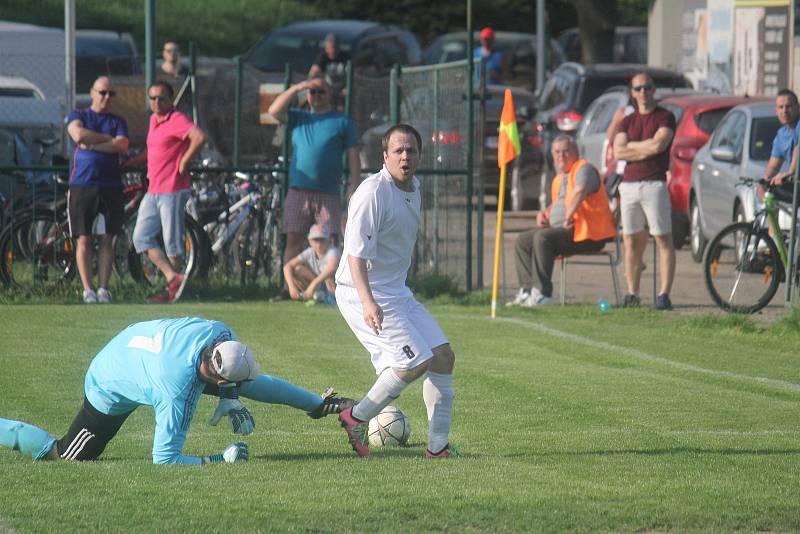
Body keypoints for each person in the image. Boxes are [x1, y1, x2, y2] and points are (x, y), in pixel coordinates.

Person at [0, 317, 354, 464]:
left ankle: (317, 405)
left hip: (135, 345)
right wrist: (219, 460)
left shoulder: (218, 332)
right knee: (64, 456)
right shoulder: (177, 391)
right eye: (227, 385)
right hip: (109, 378)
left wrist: (232, 397)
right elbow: (164, 461)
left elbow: (239, 378)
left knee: (253, 384)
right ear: (216, 377)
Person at [334, 124, 457, 459]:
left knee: (443, 358)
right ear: (385, 156)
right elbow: (355, 255)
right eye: (399, 151)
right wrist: (368, 302)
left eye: (412, 150)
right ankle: (356, 417)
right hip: (361, 291)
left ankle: (438, 448)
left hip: (396, 292)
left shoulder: (414, 187)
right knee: (414, 362)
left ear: (419, 155)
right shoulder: (373, 192)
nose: (406, 156)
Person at [509, 136, 616, 307]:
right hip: (564, 231)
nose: (561, 155)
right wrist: (544, 214)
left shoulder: (584, 169)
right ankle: (527, 291)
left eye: (566, 151)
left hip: (588, 234)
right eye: (557, 152)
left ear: (576, 152)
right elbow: (560, 202)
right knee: (523, 240)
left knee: (542, 238)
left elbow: (580, 191)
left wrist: (567, 216)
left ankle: (543, 294)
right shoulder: (559, 179)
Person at [267, 76, 360, 267]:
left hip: (329, 192)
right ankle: (291, 288)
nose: (317, 95)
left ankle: (329, 290)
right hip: (299, 190)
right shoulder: (298, 117)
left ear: (330, 94)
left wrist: (354, 183)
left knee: (330, 242)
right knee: (294, 238)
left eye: (321, 91)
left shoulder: (342, 121)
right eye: (313, 92)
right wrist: (298, 87)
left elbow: (353, 154)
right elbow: (273, 110)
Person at [129, 81, 207, 303]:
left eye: (161, 98)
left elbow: (199, 137)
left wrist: (184, 162)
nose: (156, 102)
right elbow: (153, 150)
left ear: (170, 100)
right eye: (152, 98)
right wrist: (132, 161)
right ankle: (173, 278)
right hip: (154, 189)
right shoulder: (154, 120)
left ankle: (173, 291)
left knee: (172, 241)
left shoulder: (177, 119)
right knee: (140, 237)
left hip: (172, 189)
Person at [613, 72, 676, 311]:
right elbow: (618, 152)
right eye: (638, 88)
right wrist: (645, 148)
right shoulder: (627, 121)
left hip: (654, 184)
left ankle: (664, 294)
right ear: (632, 92)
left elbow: (659, 145)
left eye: (647, 87)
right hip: (628, 185)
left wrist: (632, 147)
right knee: (630, 240)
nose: (643, 92)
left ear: (654, 90)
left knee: (662, 238)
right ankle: (632, 293)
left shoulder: (665, 117)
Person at [66, 76, 129, 304]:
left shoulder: (118, 121)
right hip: (83, 184)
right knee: (83, 238)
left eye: (111, 94)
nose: (106, 98)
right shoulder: (79, 115)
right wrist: (107, 141)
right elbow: (78, 135)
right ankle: (88, 290)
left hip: (110, 185)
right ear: (92, 93)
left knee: (107, 238)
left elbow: (122, 144)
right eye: (102, 92)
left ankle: (103, 288)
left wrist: (93, 144)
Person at [283, 223, 341, 302]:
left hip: (334, 284)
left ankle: (333, 298)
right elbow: (287, 266)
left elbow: (332, 267)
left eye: (322, 240)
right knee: (297, 269)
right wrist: (291, 287)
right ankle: (313, 294)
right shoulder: (310, 252)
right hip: (319, 284)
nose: (318, 244)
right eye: (315, 240)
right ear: (310, 241)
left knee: (328, 278)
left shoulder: (333, 251)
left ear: (329, 240)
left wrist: (313, 284)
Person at [761, 89, 800, 202]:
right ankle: (774, 220)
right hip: (796, 184)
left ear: (798, 107)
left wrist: (790, 171)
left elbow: (798, 149)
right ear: (776, 111)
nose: (785, 111)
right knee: (770, 195)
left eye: (789, 106)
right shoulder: (781, 135)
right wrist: (764, 181)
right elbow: (773, 166)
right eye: (781, 107)